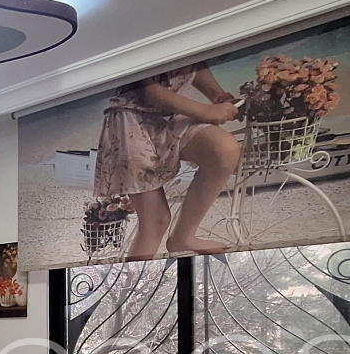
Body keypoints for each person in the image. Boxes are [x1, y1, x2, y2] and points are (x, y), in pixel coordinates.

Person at [91, 63, 241, 259]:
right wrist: (207, 111)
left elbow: (192, 63)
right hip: (130, 118)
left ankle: (184, 236)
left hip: (172, 117)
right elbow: (151, 92)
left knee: (223, 149)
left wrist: (217, 95)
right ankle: (132, 279)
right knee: (156, 221)